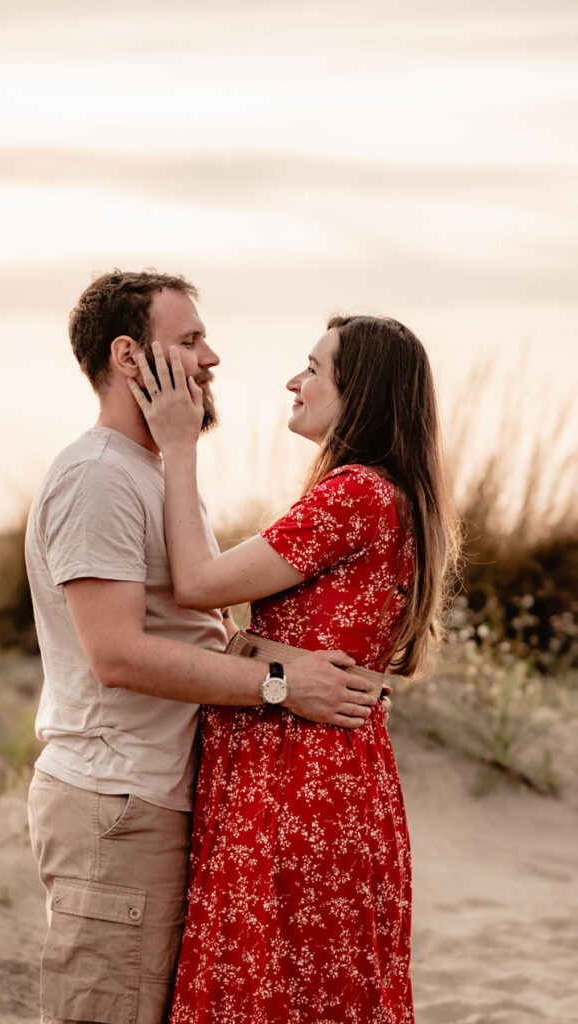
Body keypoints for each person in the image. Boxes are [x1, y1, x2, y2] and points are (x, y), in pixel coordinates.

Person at [25, 270, 387, 1024]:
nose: (211, 358)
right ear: (130, 358)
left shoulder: (153, 472)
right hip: (117, 804)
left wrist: (287, 662)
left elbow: (195, 630)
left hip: (159, 797)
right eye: (189, 341)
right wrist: (281, 687)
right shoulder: (98, 478)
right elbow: (117, 654)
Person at [130, 314, 459, 1024]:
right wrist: (263, 654)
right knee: (313, 987)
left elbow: (195, 583)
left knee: (270, 984)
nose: (293, 381)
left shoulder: (355, 494)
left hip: (293, 774)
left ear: (360, 391)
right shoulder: (388, 495)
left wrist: (178, 446)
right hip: (330, 767)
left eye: (313, 368)